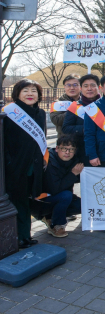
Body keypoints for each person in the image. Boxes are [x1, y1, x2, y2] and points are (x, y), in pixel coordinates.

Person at [4, 79, 47, 248]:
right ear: (17, 94)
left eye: (34, 91)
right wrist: (9, 163)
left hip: (34, 167)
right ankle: (17, 237)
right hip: (16, 167)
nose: (30, 94)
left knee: (27, 201)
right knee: (17, 201)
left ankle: (25, 236)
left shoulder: (41, 113)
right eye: (25, 90)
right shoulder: (9, 112)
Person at [41, 135, 83, 238]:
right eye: (64, 149)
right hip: (42, 199)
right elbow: (54, 189)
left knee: (82, 205)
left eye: (71, 149)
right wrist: (73, 174)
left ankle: (50, 216)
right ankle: (57, 225)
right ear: (57, 149)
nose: (67, 152)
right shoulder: (49, 161)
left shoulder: (74, 161)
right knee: (66, 196)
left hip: (60, 196)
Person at [62, 74, 101, 165]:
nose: (89, 89)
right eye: (85, 86)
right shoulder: (75, 106)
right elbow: (66, 128)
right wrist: (85, 129)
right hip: (82, 152)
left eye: (92, 85)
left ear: (98, 87)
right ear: (81, 88)